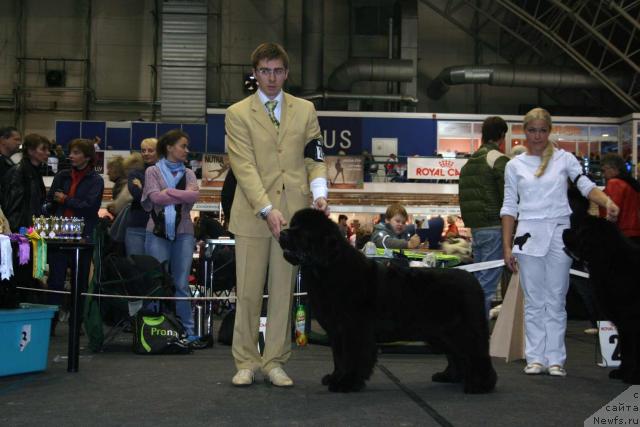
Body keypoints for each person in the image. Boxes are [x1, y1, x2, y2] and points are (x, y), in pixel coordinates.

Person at [225, 42, 328, 387]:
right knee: (249, 292)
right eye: (265, 71)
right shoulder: (237, 113)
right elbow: (244, 167)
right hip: (254, 215)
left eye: (278, 70)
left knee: (283, 293)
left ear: (287, 72)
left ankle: (275, 361)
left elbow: (315, 155)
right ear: (254, 73)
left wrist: (320, 193)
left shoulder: (306, 109)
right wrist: (267, 209)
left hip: (295, 217)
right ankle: (246, 361)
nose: (272, 78)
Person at [500, 107, 619, 377]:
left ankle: (556, 359)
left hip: (560, 234)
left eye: (543, 130)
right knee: (533, 300)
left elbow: (585, 185)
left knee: (556, 299)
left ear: (549, 131)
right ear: (524, 132)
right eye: (532, 130)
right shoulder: (513, 166)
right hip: (528, 235)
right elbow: (508, 206)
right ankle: (535, 358)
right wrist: (507, 246)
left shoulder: (565, 159)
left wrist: (607, 201)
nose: (538, 135)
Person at [142, 130, 200, 342]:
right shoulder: (152, 172)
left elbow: (194, 196)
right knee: (156, 282)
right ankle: (152, 329)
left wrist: (168, 193)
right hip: (157, 233)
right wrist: (177, 195)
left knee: (182, 284)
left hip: (184, 233)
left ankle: (189, 331)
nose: (187, 150)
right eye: (183, 146)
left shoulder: (190, 173)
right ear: (169, 147)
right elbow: (155, 198)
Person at [45, 139, 104, 333]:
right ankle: (50, 324)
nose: (71, 155)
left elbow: (90, 207)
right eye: (71, 152)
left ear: (87, 157)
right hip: (59, 233)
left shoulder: (96, 180)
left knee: (79, 283)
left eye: (76, 152)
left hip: (83, 236)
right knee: (55, 281)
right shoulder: (62, 175)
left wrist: (66, 200)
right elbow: (50, 200)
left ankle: (76, 324)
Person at [458, 116, 510, 316]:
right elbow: (509, 197)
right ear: (502, 136)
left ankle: (470, 328)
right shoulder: (497, 159)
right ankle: (476, 334)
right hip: (495, 228)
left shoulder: (470, 161)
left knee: (479, 284)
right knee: (486, 287)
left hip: (477, 230)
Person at [1, 134, 50, 231]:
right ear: (31, 151)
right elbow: (12, 208)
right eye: (43, 149)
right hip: (21, 232)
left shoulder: (35, 172)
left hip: (32, 228)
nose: (48, 153)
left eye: (48, 149)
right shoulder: (18, 172)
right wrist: (20, 233)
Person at [125, 138, 158, 256]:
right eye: (143, 150)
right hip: (136, 227)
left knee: (156, 269)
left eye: (150, 150)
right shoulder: (135, 173)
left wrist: (142, 186)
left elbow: (160, 198)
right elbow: (139, 196)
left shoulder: (165, 173)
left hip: (158, 228)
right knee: (135, 267)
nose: (146, 153)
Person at [599, 153, 640, 244]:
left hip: (620, 233)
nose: (603, 175)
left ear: (613, 168)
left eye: (603, 170)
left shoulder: (615, 183)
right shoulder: (632, 183)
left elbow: (611, 211)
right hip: (634, 232)